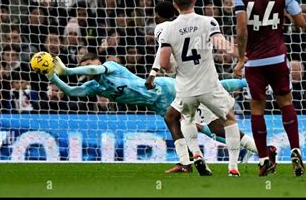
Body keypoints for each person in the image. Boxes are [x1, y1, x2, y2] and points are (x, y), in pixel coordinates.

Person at [47, 53, 267, 173]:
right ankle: (255, 149)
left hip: (164, 88)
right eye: (82, 64)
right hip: (159, 105)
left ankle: (249, 81)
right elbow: (71, 91)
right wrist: (51, 76)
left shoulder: (110, 66)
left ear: (95, 61)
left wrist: (67, 70)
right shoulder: (96, 88)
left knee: (212, 88)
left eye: (88, 62)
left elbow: (94, 69)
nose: (87, 66)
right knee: (206, 130)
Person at [233, 0, 306, 177]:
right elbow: (301, 23)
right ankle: (295, 149)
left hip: (255, 62)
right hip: (277, 57)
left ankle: (264, 158)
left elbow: (242, 28)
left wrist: (241, 57)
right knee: (286, 102)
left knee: (257, 109)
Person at [157, 0, 242, 177]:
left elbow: (164, 63)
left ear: (175, 5)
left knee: (186, 118)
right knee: (229, 120)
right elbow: (224, 47)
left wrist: (171, 68)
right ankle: (233, 167)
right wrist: (243, 55)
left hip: (186, 89)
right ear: (195, 1)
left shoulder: (168, 29)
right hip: (209, 86)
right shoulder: (208, 22)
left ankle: (195, 153)